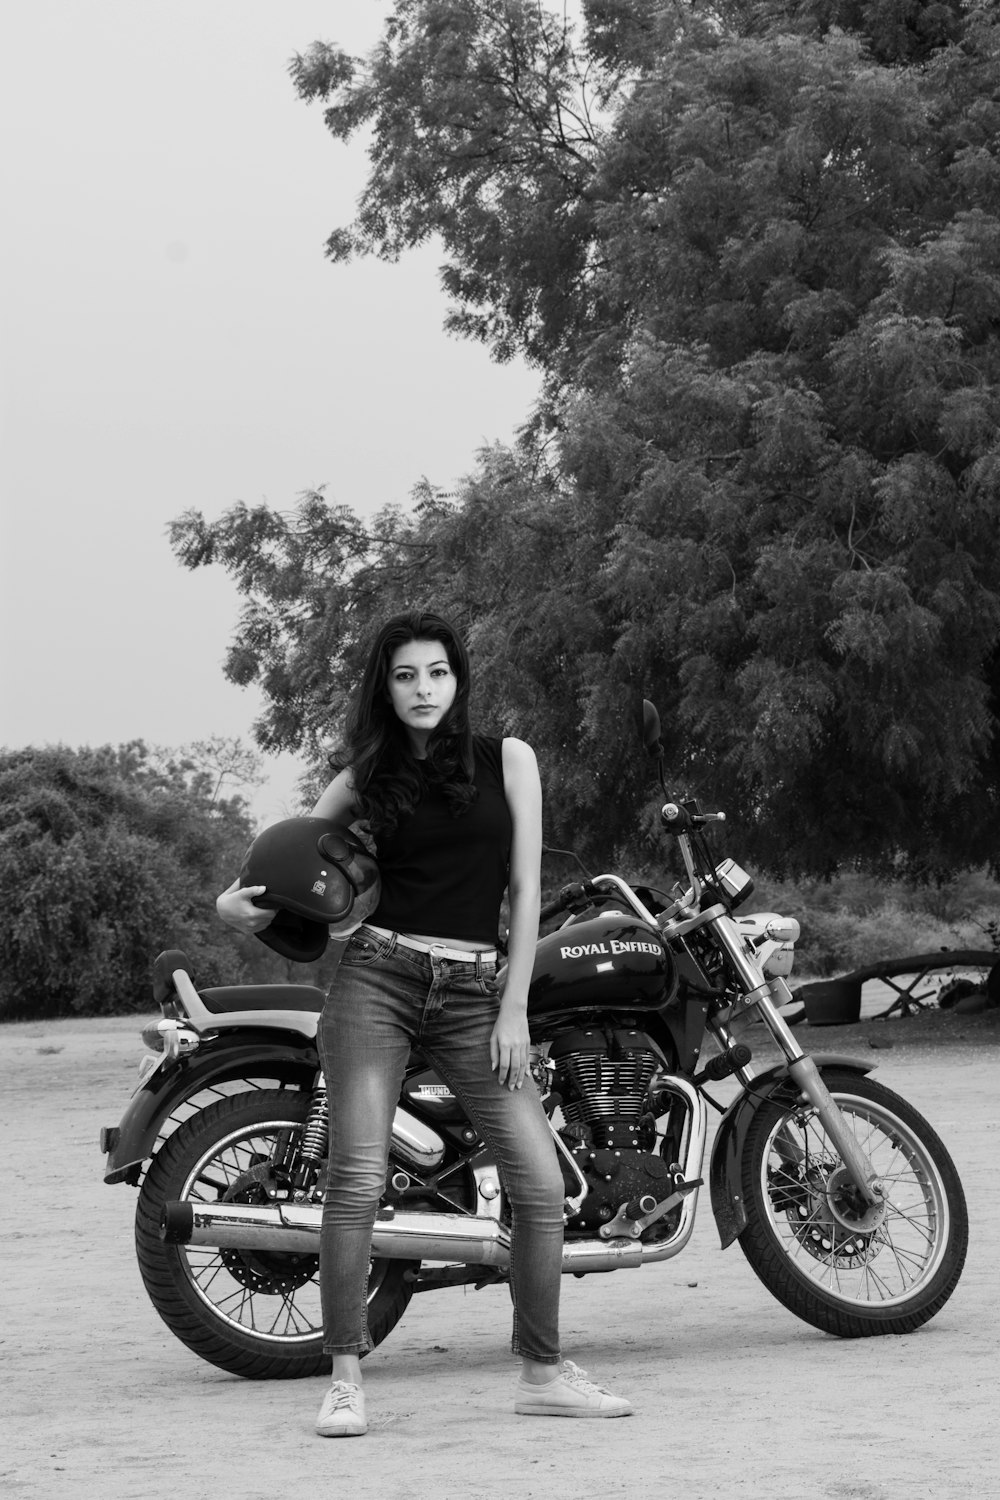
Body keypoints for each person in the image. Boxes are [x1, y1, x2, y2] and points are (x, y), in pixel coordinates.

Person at [218, 610, 632, 1435]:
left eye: (437, 673)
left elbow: (523, 892)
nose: (423, 690)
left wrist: (514, 1007)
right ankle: (344, 1379)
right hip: (378, 976)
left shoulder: (508, 760)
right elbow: (290, 859)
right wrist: (236, 909)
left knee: (540, 1183)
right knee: (357, 1179)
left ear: (458, 679)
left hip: (480, 994)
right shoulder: (365, 774)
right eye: (406, 675)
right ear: (386, 684)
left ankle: (541, 1371)